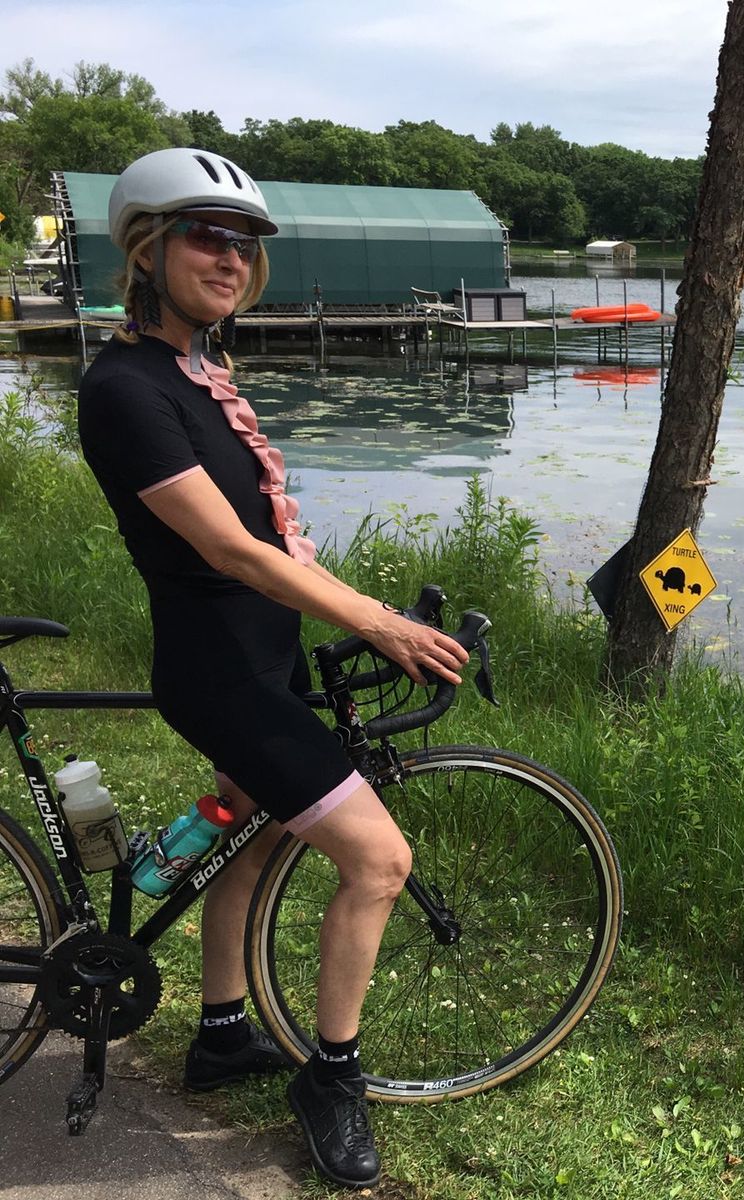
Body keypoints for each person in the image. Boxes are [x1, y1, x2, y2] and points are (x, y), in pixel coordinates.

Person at [76, 147, 468, 1189]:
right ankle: (331, 1080)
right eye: (207, 235)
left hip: (262, 656)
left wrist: (360, 614)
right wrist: (378, 621)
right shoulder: (124, 390)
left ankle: (220, 1034)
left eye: (245, 243)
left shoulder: (193, 376)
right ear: (147, 249)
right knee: (378, 862)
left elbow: (276, 548)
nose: (231, 257)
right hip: (222, 675)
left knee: (249, 843)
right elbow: (230, 552)